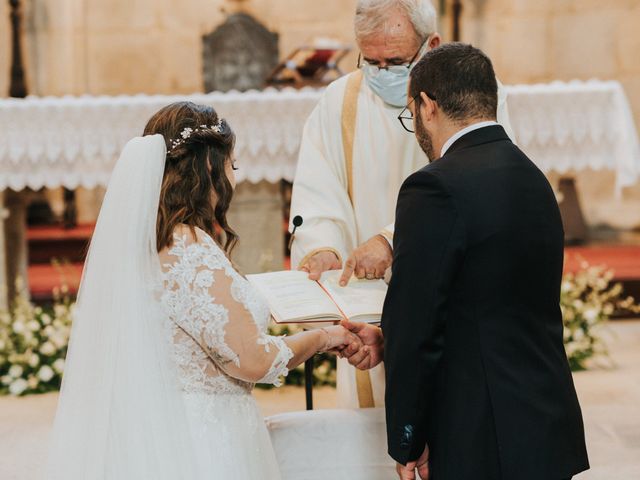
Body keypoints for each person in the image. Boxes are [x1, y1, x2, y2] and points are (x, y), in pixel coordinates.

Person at [44, 102, 360, 480]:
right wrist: (325, 337)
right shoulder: (187, 246)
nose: (234, 177)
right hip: (202, 440)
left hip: (160, 424)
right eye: (232, 165)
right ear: (208, 167)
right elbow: (253, 359)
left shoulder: (145, 241)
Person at [340, 43, 590, 480]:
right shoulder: (532, 176)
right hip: (544, 424)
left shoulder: (433, 187)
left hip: (481, 433)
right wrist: (385, 336)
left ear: (427, 105)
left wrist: (408, 438)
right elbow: (492, 301)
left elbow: (419, 321)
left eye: (410, 113)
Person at [289, 0, 514, 409]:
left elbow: (486, 187)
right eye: (369, 61)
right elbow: (317, 188)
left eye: (394, 61)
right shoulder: (340, 102)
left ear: (431, 44)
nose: (380, 74)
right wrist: (323, 248)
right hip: (365, 308)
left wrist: (391, 241)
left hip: (453, 301)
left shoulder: (469, 96)